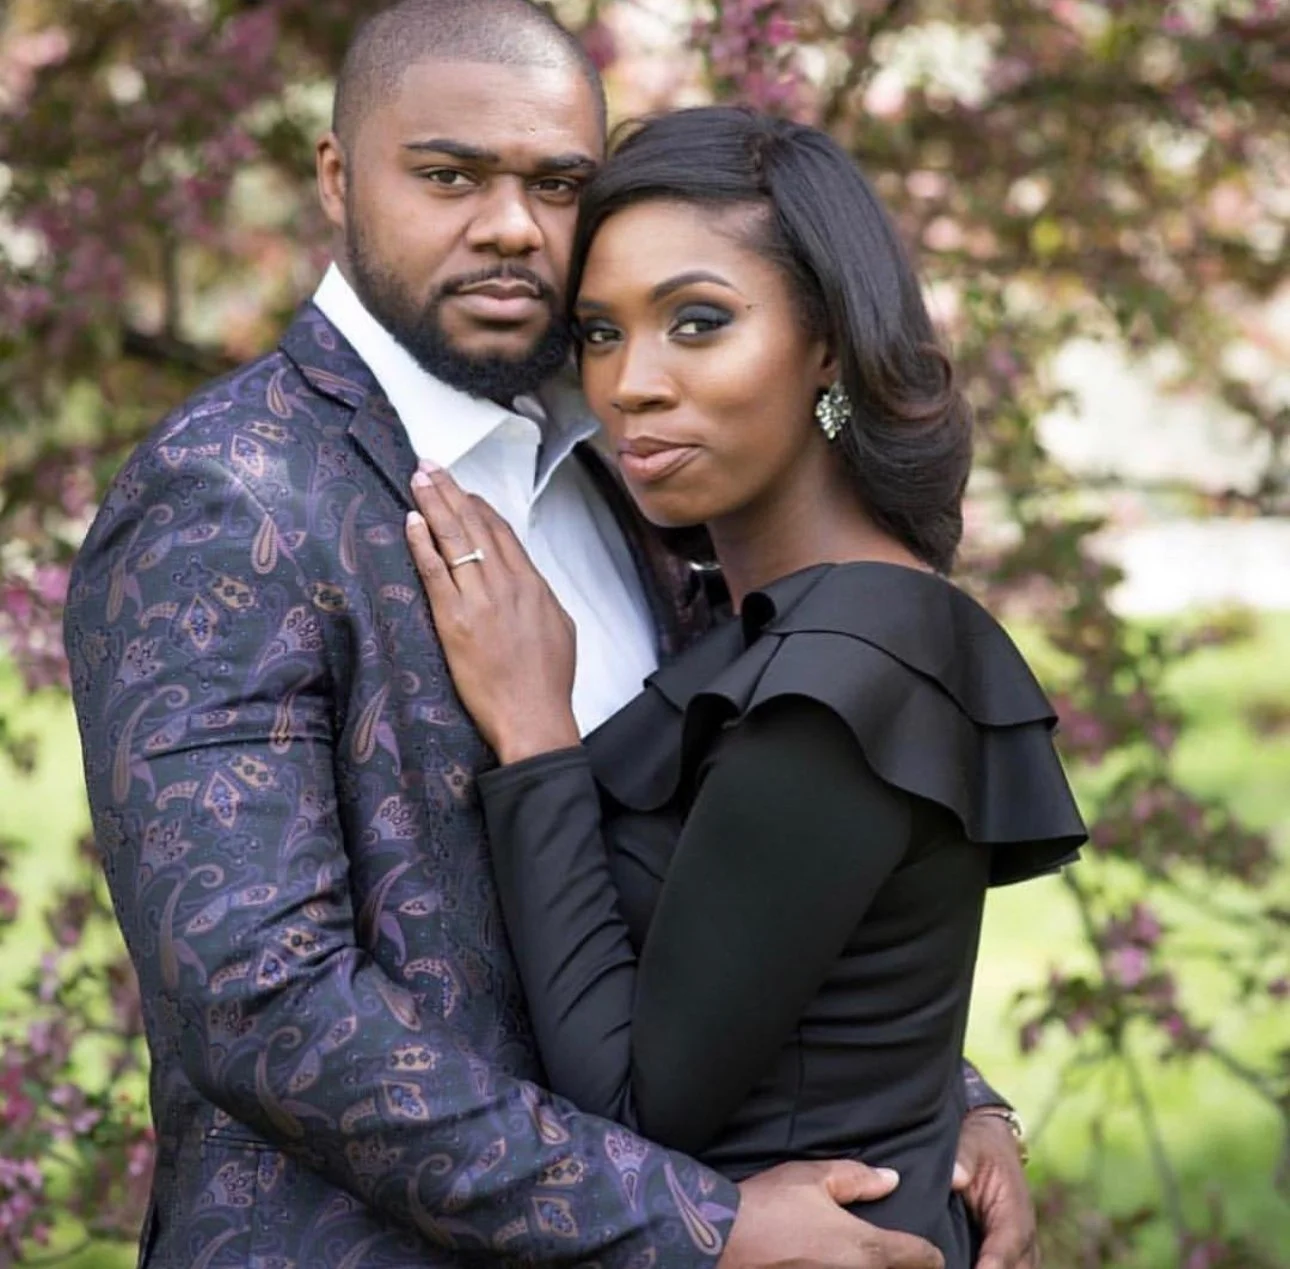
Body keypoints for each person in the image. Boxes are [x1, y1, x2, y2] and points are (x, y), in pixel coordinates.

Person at [62, 1, 1038, 1265]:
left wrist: (939, 1099)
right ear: (337, 177)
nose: (513, 225)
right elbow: (263, 1008)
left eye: (558, 182)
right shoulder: (230, 497)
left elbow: (736, 872)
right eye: (449, 175)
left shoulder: (629, 470)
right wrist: (700, 1225)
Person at [402, 106, 1088, 1269]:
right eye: (603, 334)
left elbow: (634, 1104)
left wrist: (533, 734)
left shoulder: (846, 673)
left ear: (828, 343)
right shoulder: (785, 621)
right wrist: (967, 1105)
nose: (631, 386)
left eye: (699, 323)